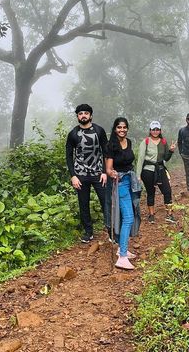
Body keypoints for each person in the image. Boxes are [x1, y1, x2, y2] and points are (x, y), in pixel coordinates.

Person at [65, 103, 108, 243]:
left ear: (90, 115)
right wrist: (73, 175)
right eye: (80, 113)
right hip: (80, 175)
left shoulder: (99, 131)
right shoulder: (73, 134)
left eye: (86, 113)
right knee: (83, 204)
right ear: (77, 116)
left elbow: (105, 152)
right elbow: (68, 156)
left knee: (105, 202)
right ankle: (88, 232)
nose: (83, 115)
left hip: (98, 174)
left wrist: (104, 172)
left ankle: (111, 230)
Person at [106, 117, 141, 270]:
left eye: (124, 127)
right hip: (119, 183)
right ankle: (122, 257)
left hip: (130, 180)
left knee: (131, 213)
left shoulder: (129, 142)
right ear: (115, 129)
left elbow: (129, 162)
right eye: (119, 127)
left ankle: (123, 247)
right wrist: (111, 173)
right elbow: (108, 169)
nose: (122, 130)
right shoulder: (111, 145)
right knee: (128, 217)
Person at [136, 120, 176, 224]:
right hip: (148, 170)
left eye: (157, 129)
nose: (155, 131)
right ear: (150, 130)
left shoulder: (163, 142)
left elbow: (166, 158)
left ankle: (169, 214)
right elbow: (140, 159)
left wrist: (171, 150)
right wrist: (138, 175)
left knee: (167, 191)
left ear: (160, 130)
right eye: (153, 129)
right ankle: (151, 215)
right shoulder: (145, 142)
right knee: (150, 192)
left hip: (161, 169)